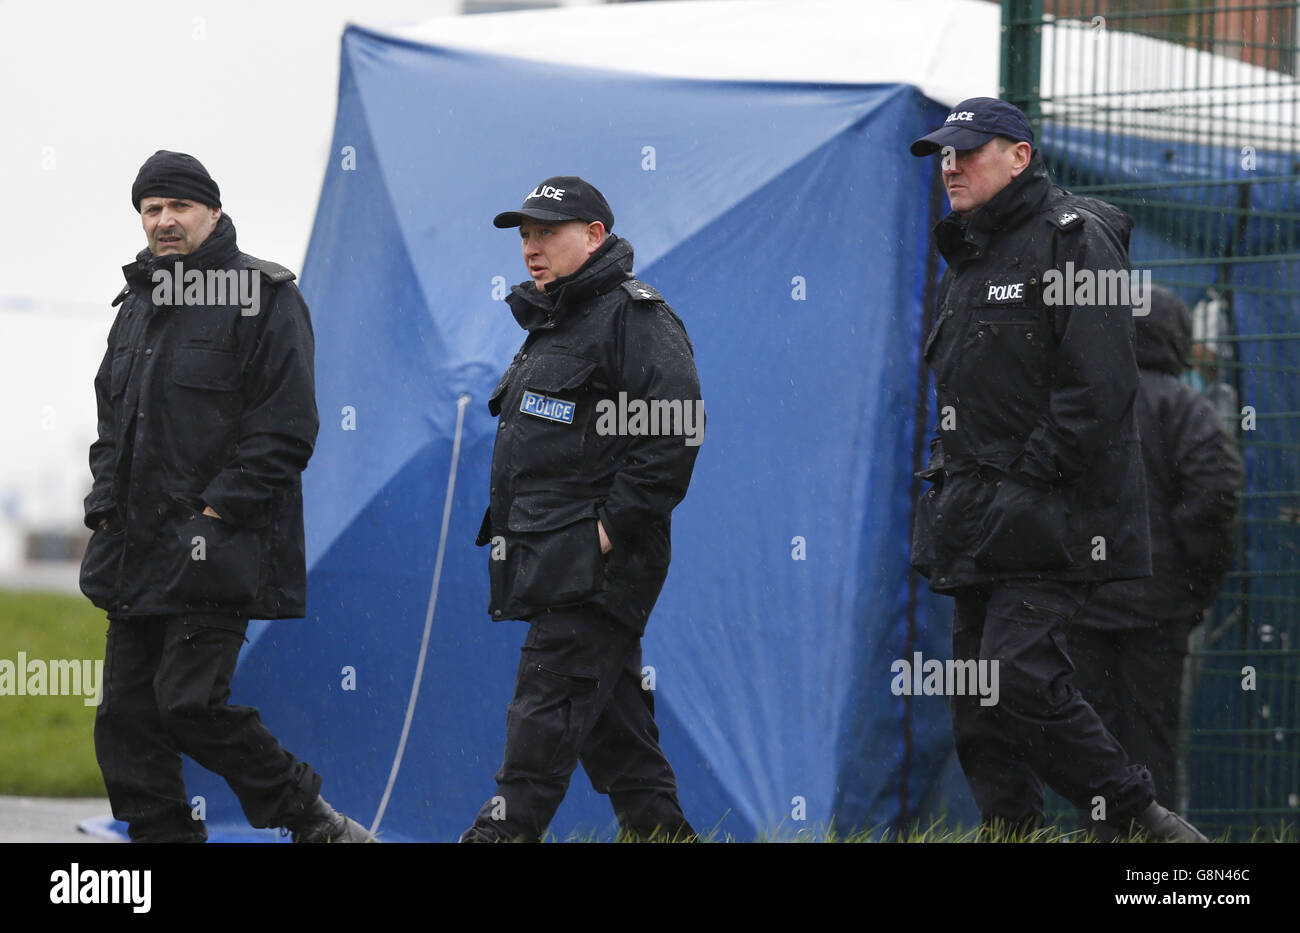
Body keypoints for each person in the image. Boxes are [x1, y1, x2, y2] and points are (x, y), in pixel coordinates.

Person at [907, 99, 1206, 841]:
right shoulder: (968, 252)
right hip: (975, 512)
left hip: (1054, 512)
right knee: (976, 700)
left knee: (1017, 674)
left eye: (967, 152)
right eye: (944, 155)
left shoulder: (1076, 238)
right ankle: (1012, 831)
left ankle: (1142, 821)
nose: (951, 166)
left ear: (1020, 155)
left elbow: (1100, 388)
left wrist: (1026, 480)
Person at [80, 150, 373, 843]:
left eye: (178, 206)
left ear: (212, 211)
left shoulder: (265, 297)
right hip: (136, 553)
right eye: (152, 209)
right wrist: (101, 507)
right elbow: (109, 424)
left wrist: (214, 513)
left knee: (187, 704)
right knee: (124, 720)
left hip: (219, 548)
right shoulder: (136, 304)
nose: (164, 221)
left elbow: (287, 425)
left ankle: (314, 820)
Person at [461, 176, 703, 842]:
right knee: (619, 741)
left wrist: (602, 533)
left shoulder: (635, 316)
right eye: (525, 236)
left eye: (547, 233)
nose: (531, 249)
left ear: (595, 236)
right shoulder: (551, 320)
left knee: (537, 733)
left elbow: (673, 431)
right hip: (550, 563)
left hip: (593, 570)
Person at [1069, 285, 1243, 823]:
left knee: (1093, 746)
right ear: (1178, 337)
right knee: (1152, 745)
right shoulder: (1188, 410)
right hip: (1159, 617)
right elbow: (1213, 497)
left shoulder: (1081, 402)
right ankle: (1154, 862)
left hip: (1085, 610)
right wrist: (1195, 588)